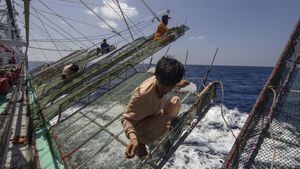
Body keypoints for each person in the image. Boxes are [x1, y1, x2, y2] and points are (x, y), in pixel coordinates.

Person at [121, 56, 190, 159]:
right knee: (164, 123)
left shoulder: (165, 79)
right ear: (156, 77)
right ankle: (141, 141)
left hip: (154, 113)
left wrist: (180, 84)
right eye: (164, 84)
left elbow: (170, 83)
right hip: (139, 126)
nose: (166, 89)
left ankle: (154, 134)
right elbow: (125, 119)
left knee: (175, 101)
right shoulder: (142, 94)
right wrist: (133, 139)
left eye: (171, 85)